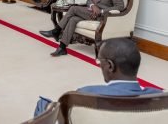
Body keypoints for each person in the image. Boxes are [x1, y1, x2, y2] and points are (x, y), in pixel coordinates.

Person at [33, 38, 163, 116]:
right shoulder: (160, 98)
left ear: (110, 66)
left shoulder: (84, 95)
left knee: (43, 104)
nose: (99, 65)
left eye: (100, 61)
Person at [40, 0, 124, 56]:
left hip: (102, 16)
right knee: (73, 19)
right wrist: (92, 6)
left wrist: (101, 11)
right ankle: (62, 48)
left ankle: (56, 31)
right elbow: (89, 0)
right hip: (90, 12)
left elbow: (120, 6)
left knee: (73, 9)